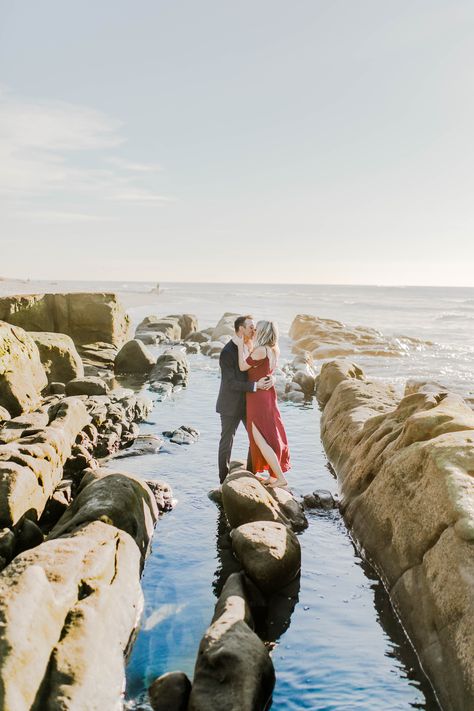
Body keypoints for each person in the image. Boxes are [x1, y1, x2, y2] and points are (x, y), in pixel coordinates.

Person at [216, 315, 274, 484]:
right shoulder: (226, 352)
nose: (254, 330)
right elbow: (231, 383)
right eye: (251, 327)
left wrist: (272, 380)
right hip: (229, 405)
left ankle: (250, 473)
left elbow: (262, 368)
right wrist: (255, 386)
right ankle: (223, 480)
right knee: (227, 442)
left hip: (249, 404)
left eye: (255, 328)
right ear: (241, 329)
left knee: (256, 438)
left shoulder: (251, 347)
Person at [234, 320, 290, 488]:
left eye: (258, 329)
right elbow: (267, 370)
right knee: (268, 436)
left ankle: (279, 477)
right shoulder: (275, 349)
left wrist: (238, 346)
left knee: (260, 439)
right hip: (267, 395)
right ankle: (272, 477)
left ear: (263, 332)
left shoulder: (260, 350)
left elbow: (243, 366)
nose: (255, 331)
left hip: (258, 398)